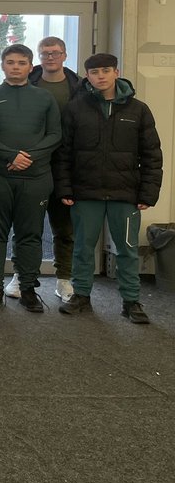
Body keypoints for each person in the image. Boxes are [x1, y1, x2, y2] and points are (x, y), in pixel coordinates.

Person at [57, 54, 163, 324]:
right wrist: (65, 189)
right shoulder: (75, 109)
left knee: (127, 250)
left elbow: (152, 155)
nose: (100, 76)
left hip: (125, 195)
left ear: (117, 72)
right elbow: (64, 154)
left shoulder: (138, 110)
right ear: (87, 76)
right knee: (82, 247)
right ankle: (81, 295)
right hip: (85, 193)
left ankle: (131, 301)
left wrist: (148, 193)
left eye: (106, 70)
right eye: (94, 72)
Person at [0, 44, 61, 312]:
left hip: (36, 177)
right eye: (10, 62)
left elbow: (55, 135)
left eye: (21, 63)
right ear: (2, 65)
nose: (15, 67)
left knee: (30, 235)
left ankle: (28, 289)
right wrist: (10, 155)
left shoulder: (45, 98)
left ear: (30, 67)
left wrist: (28, 157)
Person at [28, 36, 81, 301]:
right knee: (29, 226)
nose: (50, 57)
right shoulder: (28, 83)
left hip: (67, 166)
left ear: (64, 55)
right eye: (45, 53)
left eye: (55, 53)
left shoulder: (80, 87)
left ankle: (64, 278)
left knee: (64, 227)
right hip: (34, 163)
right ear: (39, 57)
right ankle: (23, 274)